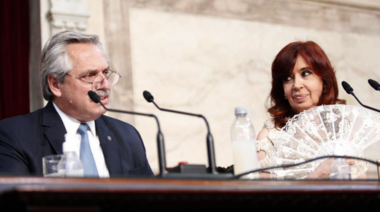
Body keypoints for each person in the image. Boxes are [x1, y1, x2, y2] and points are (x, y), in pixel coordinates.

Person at [0, 30, 153, 177]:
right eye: (89, 75)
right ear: (55, 85)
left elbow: (149, 198)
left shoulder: (127, 135)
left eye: (105, 73)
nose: (105, 85)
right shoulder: (14, 136)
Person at [256, 41, 367, 179]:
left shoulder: (344, 132)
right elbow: (264, 198)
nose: (296, 85)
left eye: (305, 73)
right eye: (288, 78)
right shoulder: (270, 138)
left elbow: (363, 190)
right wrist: (314, 178)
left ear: (324, 81)